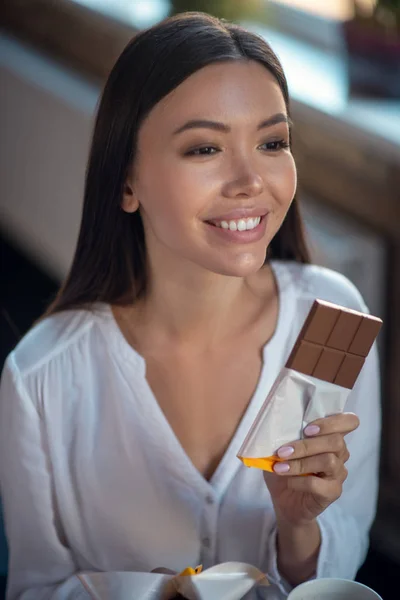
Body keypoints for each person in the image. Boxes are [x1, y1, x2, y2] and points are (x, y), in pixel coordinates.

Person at [0, 11, 381, 600]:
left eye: (272, 142)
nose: (250, 180)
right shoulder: (40, 380)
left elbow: (345, 550)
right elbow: (31, 589)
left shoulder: (334, 318)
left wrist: (299, 528)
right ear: (126, 180)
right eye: (204, 148)